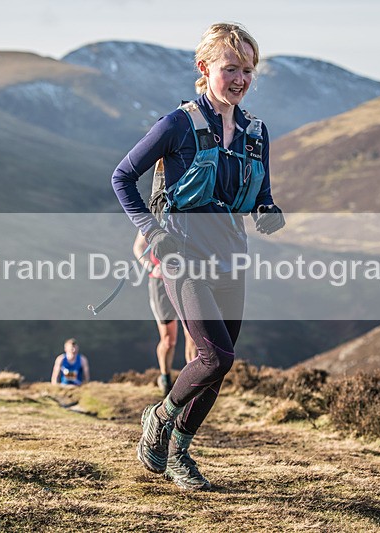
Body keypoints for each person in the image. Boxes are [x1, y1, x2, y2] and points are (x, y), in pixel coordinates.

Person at [112, 23, 285, 490]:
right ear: (204, 67)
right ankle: (159, 416)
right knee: (214, 356)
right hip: (182, 256)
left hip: (231, 259)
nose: (240, 79)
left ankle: (178, 453)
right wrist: (152, 231)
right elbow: (122, 177)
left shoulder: (256, 133)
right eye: (231, 68)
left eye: (247, 70)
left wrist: (267, 211)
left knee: (220, 365)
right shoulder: (177, 125)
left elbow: (261, 195)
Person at [133, 230, 198, 396]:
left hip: (186, 279)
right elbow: (138, 247)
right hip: (160, 282)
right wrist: (151, 267)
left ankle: (192, 384)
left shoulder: (188, 217)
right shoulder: (153, 218)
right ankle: (165, 378)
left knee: (192, 335)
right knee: (169, 340)